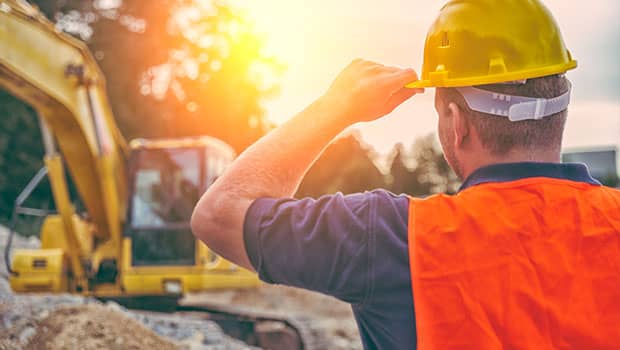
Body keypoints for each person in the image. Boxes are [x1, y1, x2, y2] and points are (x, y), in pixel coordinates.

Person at [191, 0, 620, 348]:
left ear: (456, 122)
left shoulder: (392, 237)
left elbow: (219, 214)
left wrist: (335, 108)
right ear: (562, 104)